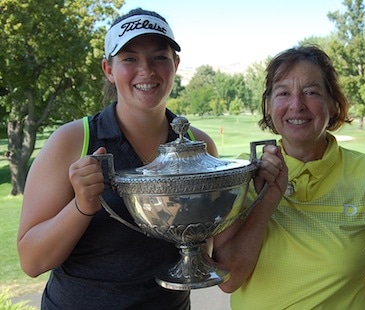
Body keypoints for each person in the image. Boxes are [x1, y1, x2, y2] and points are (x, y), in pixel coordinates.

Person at [17, 7, 286, 309]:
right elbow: (32, 261)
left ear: (176, 64)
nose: (146, 70)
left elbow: (223, 268)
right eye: (130, 59)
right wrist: (81, 207)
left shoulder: (200, 146)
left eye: (159, 57)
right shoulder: (74, 141)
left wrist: (264, 191)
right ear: (108, 69)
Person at [215, 45, 365, 309]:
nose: (296, 105)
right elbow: (229, 279)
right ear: (269, 106)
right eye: (283, 93)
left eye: (311, 92)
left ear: (333, 103)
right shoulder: (238, 177)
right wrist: (266, 200)